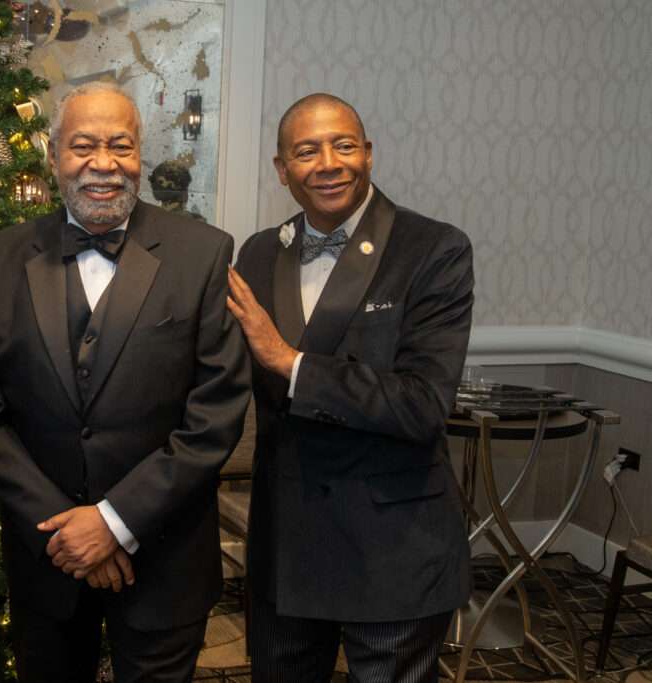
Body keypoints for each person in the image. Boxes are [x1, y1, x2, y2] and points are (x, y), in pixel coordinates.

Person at [0, 81, 250, 683]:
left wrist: (114, 521)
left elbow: (215, 416)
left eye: (120, 145)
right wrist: (69, 530)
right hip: (47, 560)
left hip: (165, 558)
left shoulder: (203, 253)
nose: (103, 164)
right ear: (53, 157)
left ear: (140, 154)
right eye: (83, 146)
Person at [227, 93, 473, 682]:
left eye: (343, 145)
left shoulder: (434, 249)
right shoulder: (260, 251)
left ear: (368, 155)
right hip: (286, 545)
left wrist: (292, 363)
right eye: (306, 151)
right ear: (282, 170)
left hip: (393, 545)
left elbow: (422, 406)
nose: (329, 163)